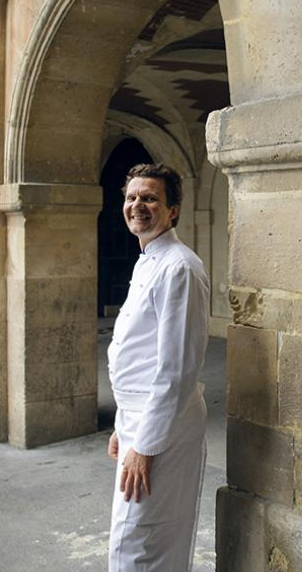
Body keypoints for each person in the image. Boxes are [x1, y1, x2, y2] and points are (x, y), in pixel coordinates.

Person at [106, 162, 210, 572]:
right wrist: (121, 423)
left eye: (150, 198)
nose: (137, 205)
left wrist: (145, 446)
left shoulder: (179, 267)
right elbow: (139, 355)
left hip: (162, 428)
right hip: (138, 418)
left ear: (173, 211)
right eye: (131, 197)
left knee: (141, 541)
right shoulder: (149, 258)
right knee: (139, 536)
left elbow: (176, 369)